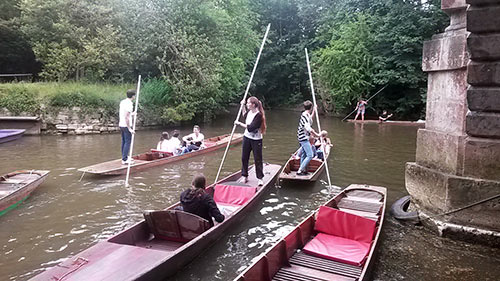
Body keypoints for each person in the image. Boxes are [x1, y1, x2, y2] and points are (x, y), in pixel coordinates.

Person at [234, 96, 266, 186]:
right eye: (247, 103)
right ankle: (244, 176)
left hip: (256, 140)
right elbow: (245, 115)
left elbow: (251, 128)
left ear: (253, 104)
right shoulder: (249, 112)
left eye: (248, 103)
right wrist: (242, 106)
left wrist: (239, 124)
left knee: (257, 159)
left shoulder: (259, 115)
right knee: (244, 157)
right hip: (247, 138)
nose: (247, 104)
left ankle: (260, 178)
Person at [296, 100, 318, 175]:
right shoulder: (304, 115)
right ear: (310, 107)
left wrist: (314, 111)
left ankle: (303, 170)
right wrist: (317, 135)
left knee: (304, 154)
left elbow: (310, 120)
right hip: (303, 137)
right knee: (310, 155)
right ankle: (300, 170)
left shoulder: (307, 114)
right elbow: (308, 128)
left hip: (305, 137)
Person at [119, 89, 136, 165]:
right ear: (133, 96)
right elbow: (126, 117)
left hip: (121, 124)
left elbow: (125, 113)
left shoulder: (123, 102)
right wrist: (130, 128)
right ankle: (124, 159)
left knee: (124, 141)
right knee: (127, 142)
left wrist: (132, 114)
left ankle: (124, 156)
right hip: (126, 125)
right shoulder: (129, 104)